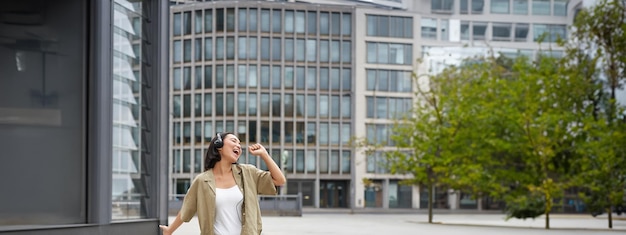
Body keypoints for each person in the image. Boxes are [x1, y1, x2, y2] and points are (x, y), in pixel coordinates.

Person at [159, 132, 286, 235]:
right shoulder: (202, 181)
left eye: (240, 144)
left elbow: (279, 180)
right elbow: (187, 209)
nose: (238, 146)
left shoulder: (248, 173)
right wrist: (170, 230)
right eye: (233, 141)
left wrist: (265, 155)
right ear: (219, 145)